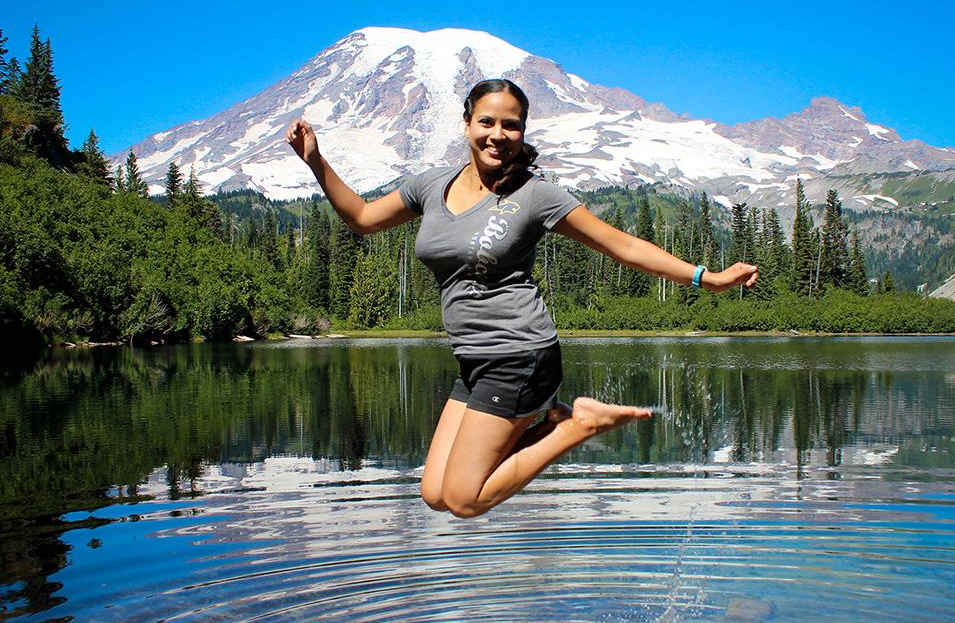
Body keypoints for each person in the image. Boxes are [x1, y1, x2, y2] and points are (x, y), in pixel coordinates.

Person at [286, 79, 757, 518]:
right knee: (435, 493)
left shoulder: (536, 196)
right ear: (467, 124)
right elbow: (364, 218)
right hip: (475, 359)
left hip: (520, 353)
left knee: (465, 500)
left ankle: (580, 425)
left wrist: (707, 278)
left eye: (510, 124)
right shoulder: (430, 185)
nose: (498, 134)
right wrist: (316, 161)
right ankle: (557, 421)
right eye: (487, 122)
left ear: (523, 130)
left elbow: (622, 245)